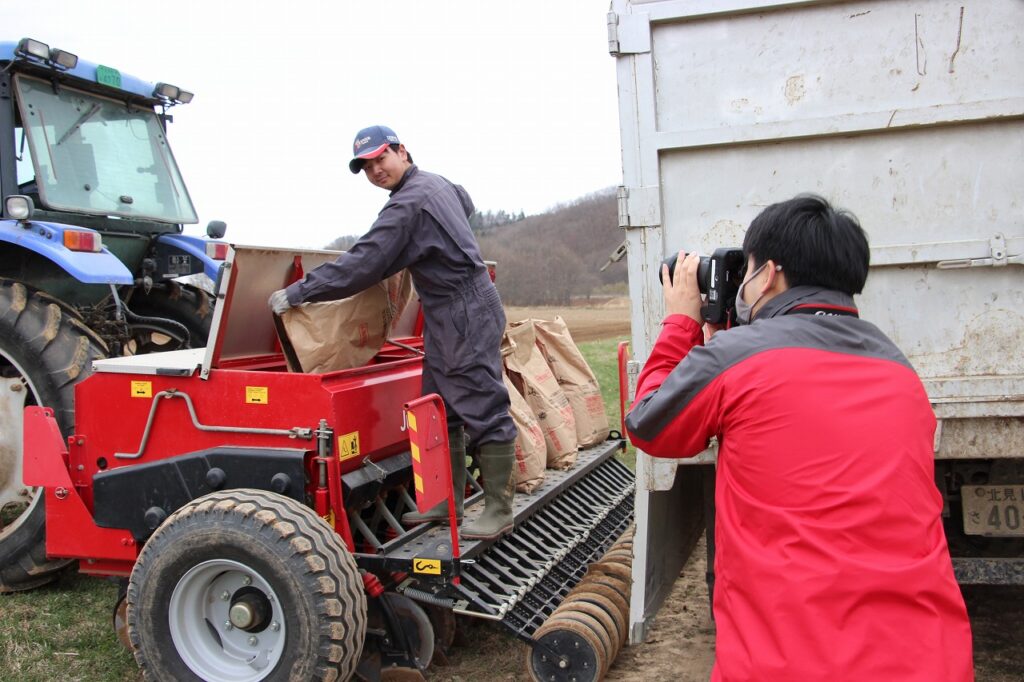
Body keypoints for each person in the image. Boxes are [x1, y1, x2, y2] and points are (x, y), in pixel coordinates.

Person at [625, 195, 973, 680]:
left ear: (767, 275)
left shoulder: (735, 357)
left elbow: (649, 424)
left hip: (790, 660)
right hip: (928, 658)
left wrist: (682, 323)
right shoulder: (898, 369)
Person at [268, 125, 518, 541]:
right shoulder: (437, 184)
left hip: (462, 311)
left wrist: (298, 292)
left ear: (403, 151)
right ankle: (446, 502)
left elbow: (364, 263)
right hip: (450, 309)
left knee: (481, 404)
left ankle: (499, 510)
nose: (375, 171)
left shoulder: (408, 206)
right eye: (366, 166)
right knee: (442, 406)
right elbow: (466, 201)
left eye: (381, 159)